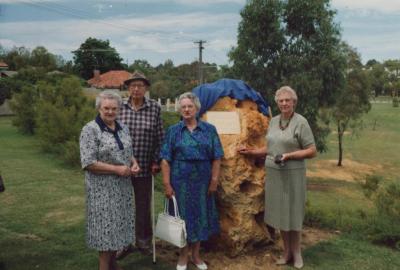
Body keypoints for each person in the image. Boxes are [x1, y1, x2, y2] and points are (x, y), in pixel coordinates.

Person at [238, 86, 316, 269]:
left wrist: (289, 156)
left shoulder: (301, 122)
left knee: (293, 214)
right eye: (281, 100)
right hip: (274, 173)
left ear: (294, 102)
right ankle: (286, 251)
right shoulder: (273, 122)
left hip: (293, 174)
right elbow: (271, 148)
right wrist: (252, 152)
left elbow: (312, 150)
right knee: (281, 214)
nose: (284, 103)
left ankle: (297, 253)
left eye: (287, 100)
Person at [160, 92, 224, 270]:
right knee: (182, 219)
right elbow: (165, 159)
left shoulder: (209, 130)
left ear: (197, 108)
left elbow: (217, 157)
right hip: (180, 182)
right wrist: (167, 183)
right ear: (180, 110)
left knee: (200, 217)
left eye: (190, 106)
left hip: (203, 182)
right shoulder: (173, 131)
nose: (187, 109)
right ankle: (182, 255)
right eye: (183, 107)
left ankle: (196, 255)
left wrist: (214, 180)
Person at [79, 90, 140, 270]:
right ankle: (104, 267)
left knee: (119, 227)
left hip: (122, 187)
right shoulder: (90, 130)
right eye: (106, 108)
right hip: (102, 189)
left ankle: (113, 264)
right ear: (99, 108)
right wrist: (116, 169)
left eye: (114, 108)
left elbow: (128, 152)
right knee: (106, 231)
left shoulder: (123, 127)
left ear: (119, 110)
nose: (110, 112)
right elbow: (88, 162)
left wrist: (134, 163)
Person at [117, 71, 164, 257]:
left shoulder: (154, 108)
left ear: (146, 88)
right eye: (133, 85)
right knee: (122, 206)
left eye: (140, 85)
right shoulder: (119, 107)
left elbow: (160, 137)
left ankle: (143, 242)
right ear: (128, 87)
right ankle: (123, 242)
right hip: (121, 168)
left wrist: (156, 160)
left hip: (145, 166)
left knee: (143, 207)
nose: (136, 89)